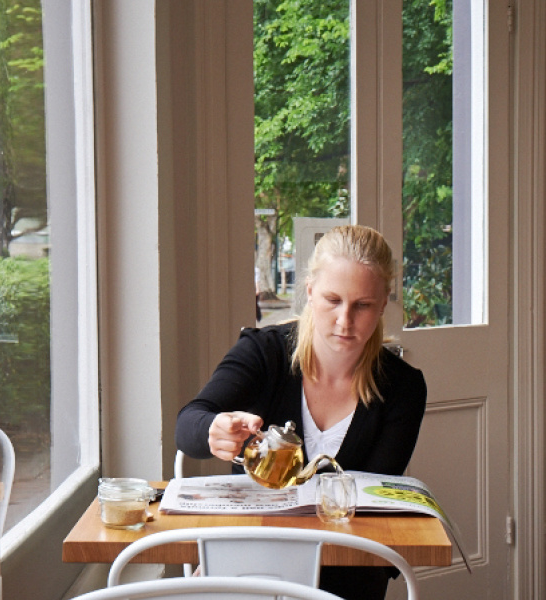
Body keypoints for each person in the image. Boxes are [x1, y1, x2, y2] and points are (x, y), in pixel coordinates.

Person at [175, 224, 427, 600]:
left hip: (347, 571)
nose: (344, 320)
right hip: (250, 562)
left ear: (383, 303)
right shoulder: (264, 353)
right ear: (309, 291)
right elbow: (188, 425)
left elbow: (368, 506)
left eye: (362, 305)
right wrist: (213, 428)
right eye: (332, 300)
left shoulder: (403, 387)